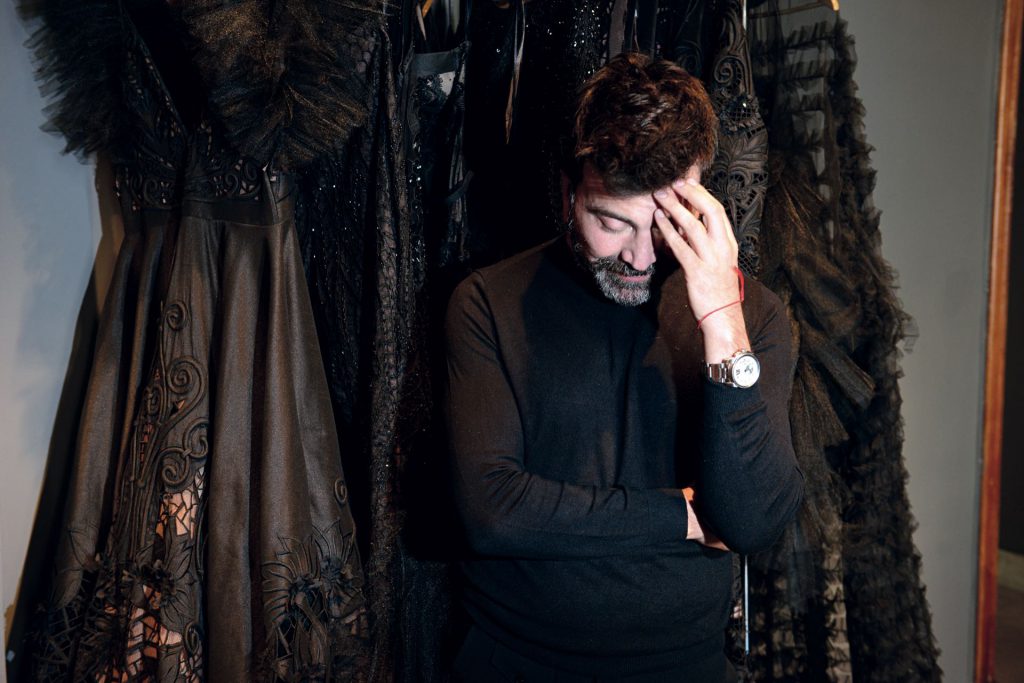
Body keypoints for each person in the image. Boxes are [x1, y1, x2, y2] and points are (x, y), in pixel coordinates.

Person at [444, 52, 804, 682]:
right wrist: (682, 517)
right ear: (569, 191)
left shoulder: (753, 317)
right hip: (515, 665)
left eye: (662, 226)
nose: (639, 257)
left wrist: (722, 320)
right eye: (612, 222)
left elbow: (751, 521)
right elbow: (493, 513)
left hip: (687, 668)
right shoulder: (487, 301)